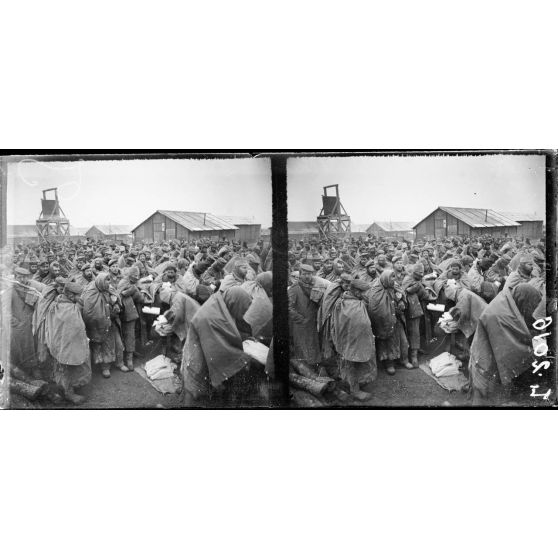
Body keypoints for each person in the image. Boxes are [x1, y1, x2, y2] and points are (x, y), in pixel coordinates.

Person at [182, 286, 265, 405]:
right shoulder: (210, 316)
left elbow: (227, 328)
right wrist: (242, 357)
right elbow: (218, 348)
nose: (243, 313)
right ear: (234, 303)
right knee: (194, 380)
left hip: (206, 343)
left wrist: (245, 338)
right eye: (242, 309)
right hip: (198, 348)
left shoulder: (222, 304)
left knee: (203, 380)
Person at [468, 282, 542, 405]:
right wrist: (532, 348)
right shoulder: (498, 315)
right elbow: (507, 347)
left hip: (489, 358)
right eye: (531, 305)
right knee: (485, 398)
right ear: (523, 299)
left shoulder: (508, 301)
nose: (531, 310)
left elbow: (518, 325)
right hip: (485, 364)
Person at [330, 279, 377, 401]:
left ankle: (355, 383)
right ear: (356, 292)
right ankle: (354, 390)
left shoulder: (356, 301)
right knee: (351, 363)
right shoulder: (346, 304)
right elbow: (346, 324)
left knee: (356, 362)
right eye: (366, 292)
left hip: (358, 339)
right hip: (350, 341)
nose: (368, 294)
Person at [46, 282, 92, 404]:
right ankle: (68, 392)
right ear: (71, 295)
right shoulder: (67, 309)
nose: (81, 298)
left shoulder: (60, 302)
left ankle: (68, 387)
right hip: (65, 343)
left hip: (61, 342)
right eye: (78, 295)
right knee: (66, 367)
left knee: (64, 366)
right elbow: (73, 328)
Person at [81, 272, 128, 378]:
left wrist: (116, 305)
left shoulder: (109, 288)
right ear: (100, 281)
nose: (109, 283)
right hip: (99, 325)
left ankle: (120, 363)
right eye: (106, 280)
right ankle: (105, 367)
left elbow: (116, 298)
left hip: (112, 322)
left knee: (118, 344)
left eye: (109, 280)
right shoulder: (91, 293)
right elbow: (89, 313)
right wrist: (105, 314)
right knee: (105, 346)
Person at [368, 269, 413, 374]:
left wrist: (401, 302)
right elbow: (375, 309)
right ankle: (389, 364)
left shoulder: (395, 286)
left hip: (397, 320)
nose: (394, 279)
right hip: (384, 323)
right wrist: (390, 310)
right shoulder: (376, 291)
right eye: (391, 277)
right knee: (388, 343)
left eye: (394, 277)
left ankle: (404, 360)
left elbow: (401, 296)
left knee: (403, 341)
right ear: (385, 278)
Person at [117, 266, 145, 370]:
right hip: (126, 313)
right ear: (130, 275)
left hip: (133, 311)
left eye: (138, 276)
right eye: (135, 276)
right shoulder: (124, 283)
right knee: (129, 335)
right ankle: (129, 358)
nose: (137, 278)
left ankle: (131, 352)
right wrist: (135, 291)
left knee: (133, 333)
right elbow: (121, 295)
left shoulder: (132, 283)